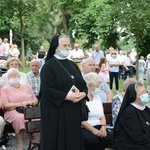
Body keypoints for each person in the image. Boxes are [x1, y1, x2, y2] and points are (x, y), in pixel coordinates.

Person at [40, 34, 88, 150]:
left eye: (69, 45)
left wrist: (83, 93)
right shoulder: (48, 66)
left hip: (73, 111)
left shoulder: (73, 65)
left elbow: (83, 85)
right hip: (57, 112)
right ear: (56, 47)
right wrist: (67, 96)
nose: (67, 48)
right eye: (64, 45)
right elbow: (47, 90)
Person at [1, 68, 38, 150]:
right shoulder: (5, 89)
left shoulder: (27, 87)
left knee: (37, 118)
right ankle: (20, 144)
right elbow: (6, 105)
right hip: (12, 111)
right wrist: (20, 104)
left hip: (29, 110)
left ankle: (37, 143)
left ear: (19, 76)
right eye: (11, 75)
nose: (14, 76)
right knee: (20, 118)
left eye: (16, 75)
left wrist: (29, 103)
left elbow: (35, 100)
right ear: (8, 78)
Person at [113, 82, 150, 150]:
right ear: (135, 96)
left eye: (145, 92)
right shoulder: (129, 113)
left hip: (144, 141)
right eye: (142, 93)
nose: (145, 94)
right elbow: (137, 137)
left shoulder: (146, 109)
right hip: (129, 144)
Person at [82, 72, 111, 150]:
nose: (98, 89)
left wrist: (103, 127)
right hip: (85, 127)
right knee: (92, 140)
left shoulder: (97, 97)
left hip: (98, 125)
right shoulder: (82, 99)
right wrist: (93, 130)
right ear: (89, 85)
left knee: (109, 137)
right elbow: (81, 120)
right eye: (96, 87)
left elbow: (102, 115)